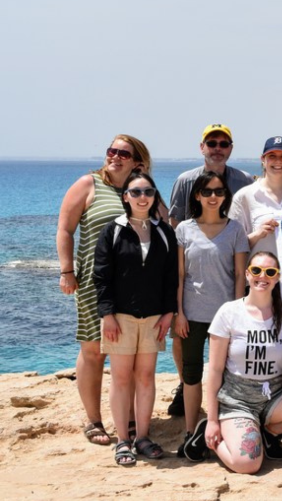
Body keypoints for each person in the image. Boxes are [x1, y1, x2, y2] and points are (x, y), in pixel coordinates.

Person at [192, 251, 282, 474]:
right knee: (248, 464)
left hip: (276, 396)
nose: (263, 276)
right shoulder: (229, 312)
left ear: (277, 277)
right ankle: (210, 436)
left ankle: (268, 431)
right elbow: (215, 370)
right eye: (257, 271)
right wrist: (212, 420)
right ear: (248, 275)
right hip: (237, 400)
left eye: (270, 272)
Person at [56, 134, 151, 447]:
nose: (116, 157)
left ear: (137, 161)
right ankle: (94, 420)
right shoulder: (89, 184)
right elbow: (65, 229)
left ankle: (131, 417)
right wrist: (67, 271)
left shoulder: (139, 190)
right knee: (93, 349)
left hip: (134, 285)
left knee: (130, 353)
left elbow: (161, 225)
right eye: (113, 150)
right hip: (93, 281)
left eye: (124, 153)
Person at [166, 124, 255, 417]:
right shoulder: (185, 180)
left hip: (232, 267)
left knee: (229, 356)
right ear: (202, 146)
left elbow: (244, 224)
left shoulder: (242, 179)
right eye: (212, 142)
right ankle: (184, 385)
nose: (218, 148)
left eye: (224, 143)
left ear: (230, 148)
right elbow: (175, 223)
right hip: (195, 274)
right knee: (184, 342)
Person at [93, 171, 179, 465]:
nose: (143, 197)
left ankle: (142, 436)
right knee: (120, 378)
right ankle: (122, 441)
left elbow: (171, 278)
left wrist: (169, 312)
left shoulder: (165, 232)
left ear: (155, 196)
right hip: (120, 317)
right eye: (136, 192)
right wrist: (107, 315)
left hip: (154, 317)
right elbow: (101, 277)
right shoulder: (113, 230)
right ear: (125, 197)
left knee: (145, 377)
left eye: (148, 192)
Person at [174, 172, 250, 460]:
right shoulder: (183, 229)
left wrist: (239, 315)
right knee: (192, 375)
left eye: (218, 191)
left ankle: (225, 427)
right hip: (192, 315)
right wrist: (179, 313)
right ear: (197, 195)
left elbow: (240, 277)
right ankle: (191, 431)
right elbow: (179, 276)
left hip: (226, 318)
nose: (213, 196)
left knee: (227, 376)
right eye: (207, 191)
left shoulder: (235, 230)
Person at [229, 136, 282, 257]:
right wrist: (258, 234)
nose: (278, 161)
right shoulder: (243, 197)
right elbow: (231, 246)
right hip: (260, 274)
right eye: (272, 156)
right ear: (262, 159)